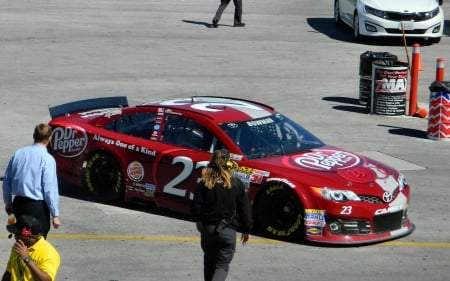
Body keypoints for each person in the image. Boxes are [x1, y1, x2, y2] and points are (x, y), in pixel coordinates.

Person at [191, 149, 252, 281]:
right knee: (222, 265)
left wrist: (199, 220)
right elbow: (245, 209)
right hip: (228, 231)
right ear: (229, 164)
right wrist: (247, 230)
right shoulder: (236, 183)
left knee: (209, 261)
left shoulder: (205, 182)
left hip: (208, 229)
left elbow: (196, 207)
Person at [3, 123, 61, 239]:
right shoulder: (47, 159)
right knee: (37, 243)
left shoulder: (18, 154)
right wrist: (55, 215)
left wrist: (8, 202)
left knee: (20, 240)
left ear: (34, 136)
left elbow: (6, 182)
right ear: (50, 139)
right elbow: (49, 189)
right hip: (37, 207)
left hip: (18, 204)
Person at [2, 214, 61, 281]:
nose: (15, 237)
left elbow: (46, 279)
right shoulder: (19, 246)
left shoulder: (49, 253)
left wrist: (27, 259)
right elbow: (9, 272)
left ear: (26, 236)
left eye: (17, 234)